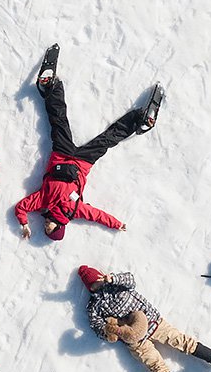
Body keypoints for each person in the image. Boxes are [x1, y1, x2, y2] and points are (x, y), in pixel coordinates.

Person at [15, 43, 160, 241]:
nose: (46, 226)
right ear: (59, 227)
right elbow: (97, 216)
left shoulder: (43, 202)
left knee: (59, 122)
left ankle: (51, 86)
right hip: (83, 163)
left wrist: (24, 223)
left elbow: (21, 207)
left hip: (61, 155)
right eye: (51, 229)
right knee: (107, 139)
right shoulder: (75, 211)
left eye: (46, 229)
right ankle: (138, 118)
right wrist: (116, 223)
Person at [78, 265, 211, 372]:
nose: (97, 284)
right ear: (89, 288)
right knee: (156, 366)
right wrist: (108, 333)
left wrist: (113, 279)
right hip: (136, 340)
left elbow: (131, 280)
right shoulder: (94, 307)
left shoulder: (117, 285)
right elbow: (97, 326)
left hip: (153, 322)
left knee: (182, 341)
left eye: (97, 279)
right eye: (93, 284)